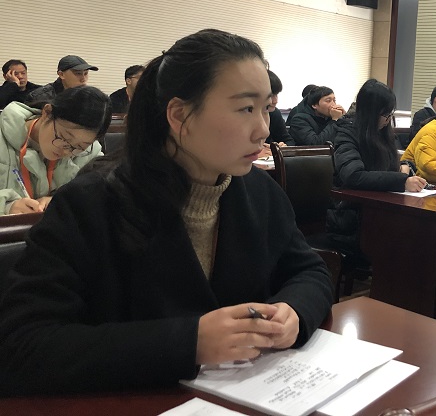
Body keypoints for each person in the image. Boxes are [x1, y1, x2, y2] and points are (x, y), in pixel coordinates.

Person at [0, 29, 333, 395]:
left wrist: (293, 311)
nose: (263, 130)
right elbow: (22, 345)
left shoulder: (260, 192)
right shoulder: (91, 204)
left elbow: (309, 270)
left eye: (266, 108)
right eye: (245, 109)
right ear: (179, 114)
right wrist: (188, 342)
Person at [329, 79, 427, 256]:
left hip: (382, 211)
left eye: (390, 114)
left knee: (422, 235)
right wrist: (401, 181)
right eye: (385, 115)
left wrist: (404, 166)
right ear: (370, 112)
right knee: (411, 242)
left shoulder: (382, 132)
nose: (388, 120)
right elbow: (353, 176)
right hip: (352, 218)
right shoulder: (346, 134)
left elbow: (394, 165)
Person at [0, 86, 110, 215]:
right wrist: (6, 207)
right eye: (63, 138)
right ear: (47, 113)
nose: (66, 151)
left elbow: (101, 197)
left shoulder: (90, 153)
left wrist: (60, 201)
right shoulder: (2, 136)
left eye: (79, 147)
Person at [26, 55, 98, 104]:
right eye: (78, 73)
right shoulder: (39, 98)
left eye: (86, 73)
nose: (83, 79)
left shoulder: (89, 97)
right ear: (61, 74)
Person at [259, 69, 293, 157]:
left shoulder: (274, 113)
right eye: (270, 95)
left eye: (276, 95)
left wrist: (282, 147)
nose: (275, 101)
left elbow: (289, 141)